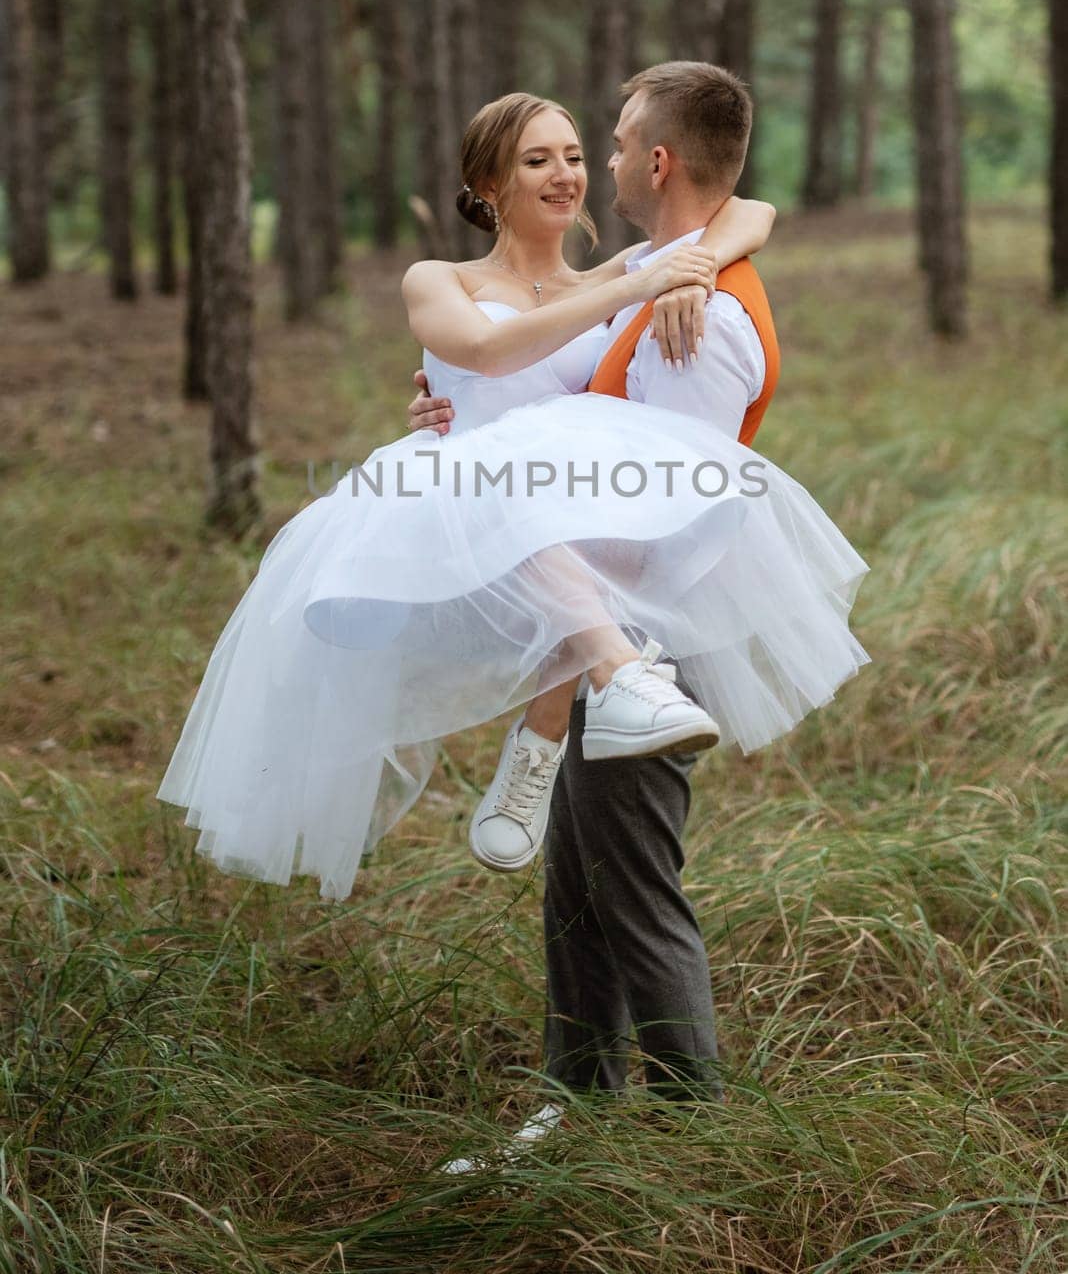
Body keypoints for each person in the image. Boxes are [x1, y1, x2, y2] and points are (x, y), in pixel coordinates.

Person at [158, 73, 867, 920]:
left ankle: (546, 733)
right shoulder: (444, 278)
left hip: (563, 536)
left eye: (577, 154)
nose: (570, 172)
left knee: (533, 503)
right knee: (490, 478)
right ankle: (587, 699)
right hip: (458, 513)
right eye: (539, 160)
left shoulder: (613, 279)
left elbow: (751, 213)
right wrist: (644, 283)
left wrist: (695, 265)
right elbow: (487, 359)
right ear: (489, 187)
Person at [405, 62, 870, 1141]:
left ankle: (689, 1134)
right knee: (582, 879)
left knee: (636, 889)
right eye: (549, 155)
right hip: (610, 633)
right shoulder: (666, 277)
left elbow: (679, 519)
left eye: (605, 144)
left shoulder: (692, 321)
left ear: (654, 162)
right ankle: (575, 1105)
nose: (592, 164)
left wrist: (537, 537)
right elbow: (740, 209)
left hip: (652, 638)